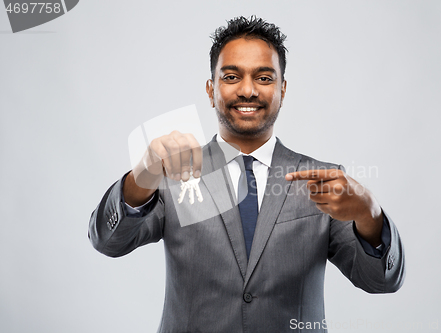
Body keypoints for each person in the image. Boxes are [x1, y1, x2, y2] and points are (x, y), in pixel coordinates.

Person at [88, 16, 405, 333]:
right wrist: (143, 173)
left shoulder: (325, 182)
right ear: (211, 90)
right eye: (231, 77)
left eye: (264, 78)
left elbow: (381, 280)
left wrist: (370, 214)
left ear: (282, 90)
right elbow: (108, 241)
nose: (248, 90)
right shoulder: (170, 171)